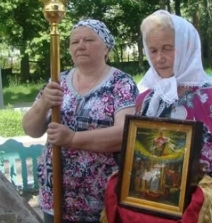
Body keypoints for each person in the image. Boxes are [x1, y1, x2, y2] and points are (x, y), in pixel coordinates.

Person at [103, 10, 212, 223]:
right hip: (150, 212)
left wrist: (206, 191)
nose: (159, 58)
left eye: (168, 49)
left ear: (187, 47)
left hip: (198, 214)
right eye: (153, 50)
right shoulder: (146, 100)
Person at [22, 19, 139, 223]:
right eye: (74, 42)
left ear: (106, 47)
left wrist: (73, 138)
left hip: (101, 203)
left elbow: (126, 135)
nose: (80, 46)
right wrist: (43, 104)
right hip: (56, 199)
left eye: (88, 40)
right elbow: (31, 130)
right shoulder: (57, 81)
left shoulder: (121, 83)